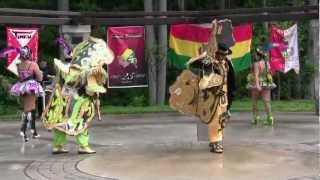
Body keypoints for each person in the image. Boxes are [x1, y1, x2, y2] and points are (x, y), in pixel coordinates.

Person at [10, 46, 43, 142]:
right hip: (31, 88)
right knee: (29, 109)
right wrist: (40, 75)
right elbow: (39, 77)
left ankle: (34, 131)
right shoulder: (33, 64)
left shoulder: (19, 65)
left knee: (30, 108)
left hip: (22, 87)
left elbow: (20, 76)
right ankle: (23, 130)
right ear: (28, 54)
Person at [246, 47, 276, 125]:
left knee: (254, 101)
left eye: (256, 54)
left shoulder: (256, 64)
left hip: (256, 84)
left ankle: (256, 118)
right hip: (266, 83)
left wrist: (258, 85)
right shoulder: (267, 64)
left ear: (258, 55)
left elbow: (256, 75)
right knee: (267, 102)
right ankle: (270, 118)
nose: (255, 56)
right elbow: (271, 73)